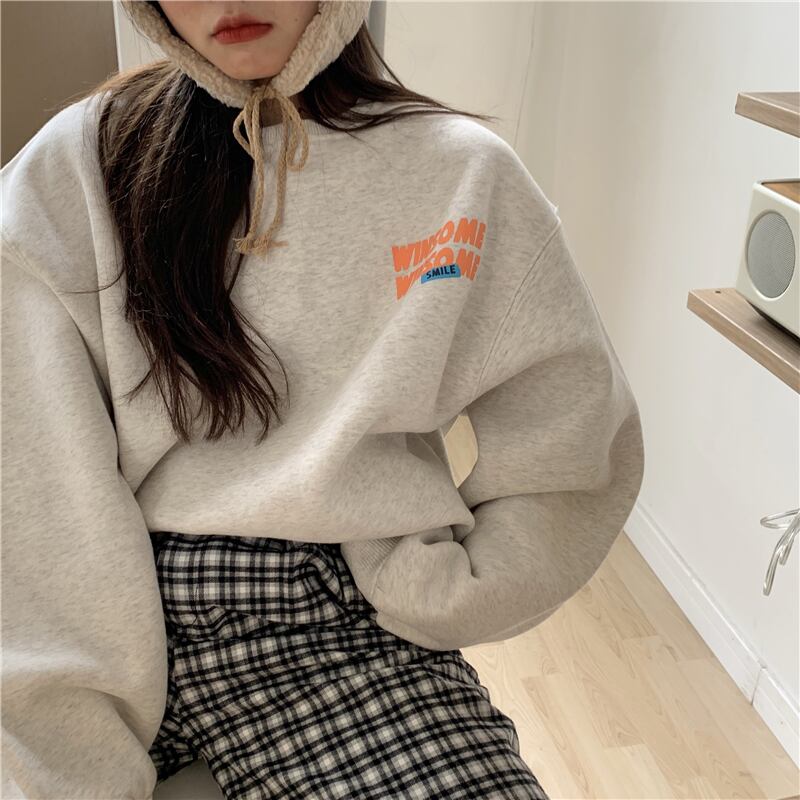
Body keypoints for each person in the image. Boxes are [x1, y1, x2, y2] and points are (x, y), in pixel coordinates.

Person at [0, 1, 645, 798]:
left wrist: (457, 592)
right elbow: (30, 475)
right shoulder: (78, 166)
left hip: (333, 626)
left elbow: (571, 434)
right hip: (88, 611)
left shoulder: (461, 174)